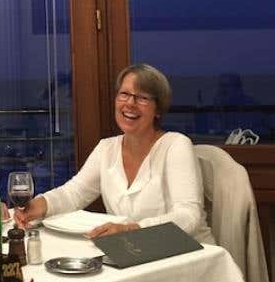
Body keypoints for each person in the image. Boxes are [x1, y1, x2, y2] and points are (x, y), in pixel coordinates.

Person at [14, 63, 214, 243]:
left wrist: (130, 229)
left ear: (158, 110)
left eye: (142, 98)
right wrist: (38, 206)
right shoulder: (107, 148)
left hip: (190, 255)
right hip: (134, 251)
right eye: (124, 94)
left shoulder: (176, 145)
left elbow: (189, 216)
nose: (130, 103)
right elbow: (74, 193)